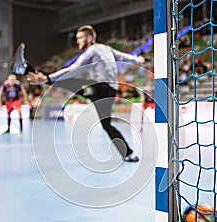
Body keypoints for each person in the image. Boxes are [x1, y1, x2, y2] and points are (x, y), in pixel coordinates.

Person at [25, 25, 145, 162]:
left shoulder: (92, 51)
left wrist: (49, 78)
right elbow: (123, 57)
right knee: (107, 125)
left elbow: (74, 68)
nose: (77, 42)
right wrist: (137, 60)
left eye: (80, 38)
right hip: (110, 92)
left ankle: (30, 71)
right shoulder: (106, 48)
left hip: (100, 89)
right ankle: (128, 153)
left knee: (70, 82)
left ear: (89, 38)